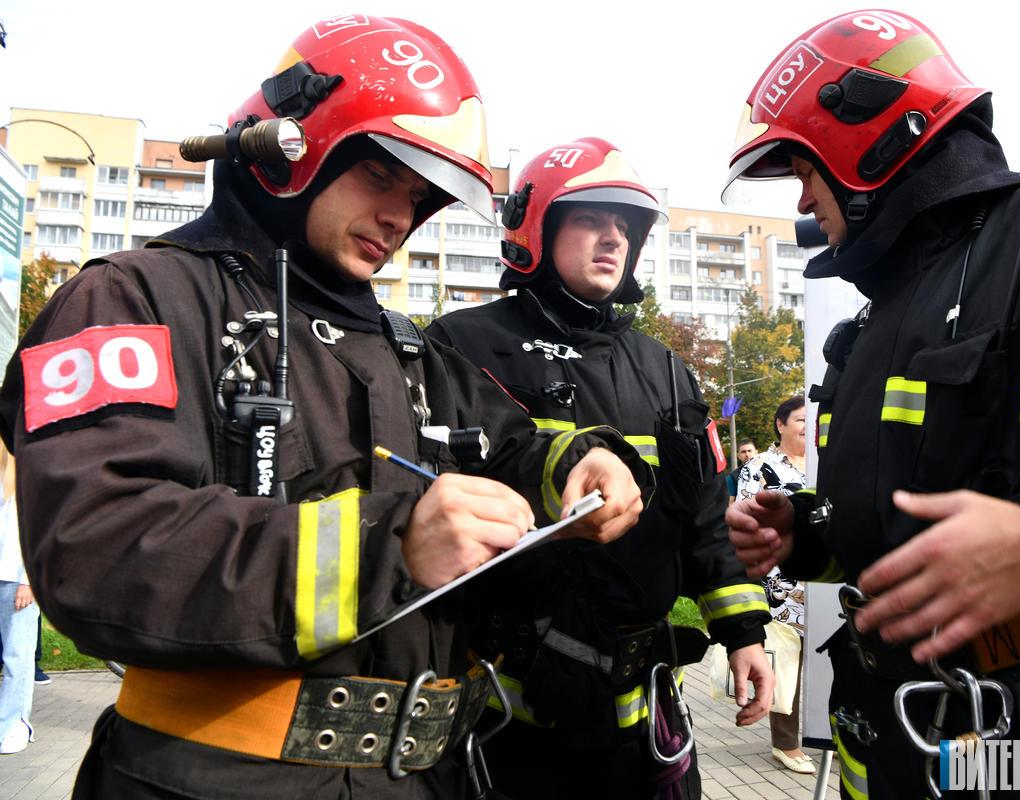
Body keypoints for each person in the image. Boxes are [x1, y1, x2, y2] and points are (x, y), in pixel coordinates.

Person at [0, 17, 647, 800]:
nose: (399, 220)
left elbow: (510, 445)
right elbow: (98, 546)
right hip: (207, 782)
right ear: (294, 151)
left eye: (418, 198)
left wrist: (580, 461)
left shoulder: (404, 346)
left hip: (423, 778)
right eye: (381, 177)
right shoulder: (134, 299)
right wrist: (392, 547)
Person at [723, 9, 1020, 799]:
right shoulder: (872, 322)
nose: (805, 200)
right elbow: (921, 517)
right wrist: (808, 534)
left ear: (864, 141)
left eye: (804, 167)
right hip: (897, 731)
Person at [426, 137, 773, 799]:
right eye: (591, 219)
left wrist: (743, 632)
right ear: (537, 225)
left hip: (642, 719)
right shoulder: (463, 345)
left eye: (626, 226)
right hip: (511, 720)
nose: (613, 238)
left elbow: (703, 515)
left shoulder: (664, 367)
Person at [735, 396, 811, 774]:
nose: (806, 425)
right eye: (799, 419)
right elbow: (748, 520)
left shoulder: (823, 463)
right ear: (780, 424)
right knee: (787, 660)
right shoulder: (759, 466)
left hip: (823, 578)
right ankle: (786, 743)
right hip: (780, 581)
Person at [0, 446, 36, 755]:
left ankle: (16, 725)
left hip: (16, 577)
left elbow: (36, 530)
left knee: (17, 655)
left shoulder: (25, 474)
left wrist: (29, 579)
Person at [726, 438, 758, 503]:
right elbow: (731, 503)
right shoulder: (732, 477)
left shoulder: (768, 470)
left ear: (756, 452)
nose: (747, 454)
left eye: (749, 451)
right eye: (743, 452)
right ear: (738, 456)